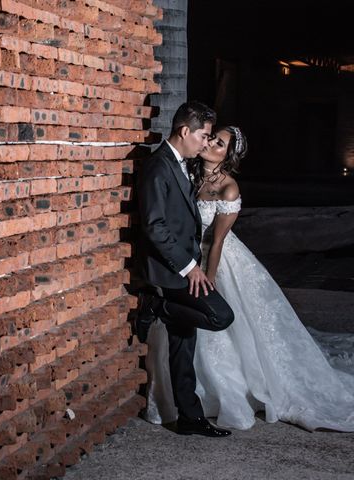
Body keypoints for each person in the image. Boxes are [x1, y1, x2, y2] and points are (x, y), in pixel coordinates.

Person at [144, 126, 354, 431]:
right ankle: (188, 395)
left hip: (217, 260)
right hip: (187, 259)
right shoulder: (188, 172)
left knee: (221, 318)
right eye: (211, 137)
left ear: (227, 156)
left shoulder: (228, 188)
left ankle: (223, 390)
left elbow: (216, 242)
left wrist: (209, 278)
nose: (211, 143)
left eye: (219, 144)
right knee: (189, 328)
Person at [136, 101, 235, 437]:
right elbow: (154, 225)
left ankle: (189, 417)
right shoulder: (159, 166)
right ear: (184, 131)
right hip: (170, 271)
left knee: (184, 342)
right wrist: (191, 267)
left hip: (182, 268)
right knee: (220, 316)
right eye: (203, 136)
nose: (205, 143)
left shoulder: (180, 163)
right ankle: (155, 306)